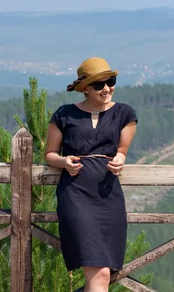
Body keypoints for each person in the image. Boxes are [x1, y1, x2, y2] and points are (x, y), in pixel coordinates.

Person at [44, 57, 137, 292]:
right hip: (75, 195)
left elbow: (122, 151)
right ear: (85, 88)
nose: (107, 88)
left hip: (109, 196)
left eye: (111, 82)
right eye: (99, 84)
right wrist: (64, 162)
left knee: (105, 274)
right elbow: (49, 154)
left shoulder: (125, 113)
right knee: (99, 273)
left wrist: (120, 160)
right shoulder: (63, 114)